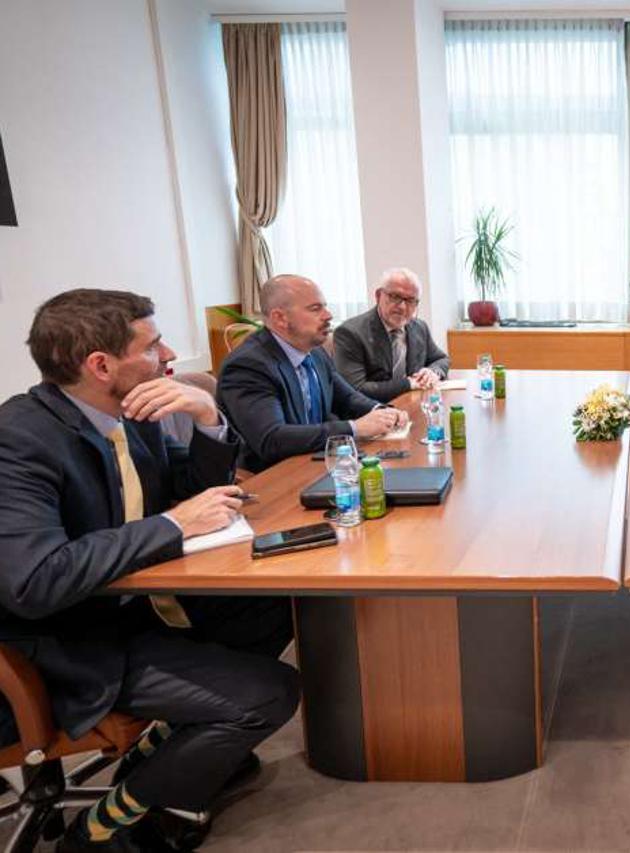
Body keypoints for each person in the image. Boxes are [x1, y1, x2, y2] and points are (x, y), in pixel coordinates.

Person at [0, 289, 300, 851]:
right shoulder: (18, 438)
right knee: (270, 693)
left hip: (133, 604)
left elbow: (186, 490)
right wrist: (173, 525)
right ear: (100, 365)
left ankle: (182, 750)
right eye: (153, 345)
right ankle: (103, 830)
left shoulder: (129, 414)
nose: (169, 355)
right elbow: (35, 581)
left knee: (279, 606)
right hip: (67, 642)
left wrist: (207, 418)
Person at [217, 274, 407, 473]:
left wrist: (382, 412)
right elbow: (272, 439)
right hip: (275, 476)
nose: (328, 315)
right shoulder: (248, 366)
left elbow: (347, 399)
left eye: (325, 306)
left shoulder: (314, 351)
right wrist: (355, 428)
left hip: (317, 462)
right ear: (280, 318)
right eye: (315, 309)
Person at [333, 267, 451, 403]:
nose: (402, 307)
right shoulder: (350, 333)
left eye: (410, 300)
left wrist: (433, 372)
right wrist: (409, 384)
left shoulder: (419, 327)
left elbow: (442, 359)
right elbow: (355, 389)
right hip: (372, 409)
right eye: (395, 297)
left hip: (412, 404)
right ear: (378, 296)